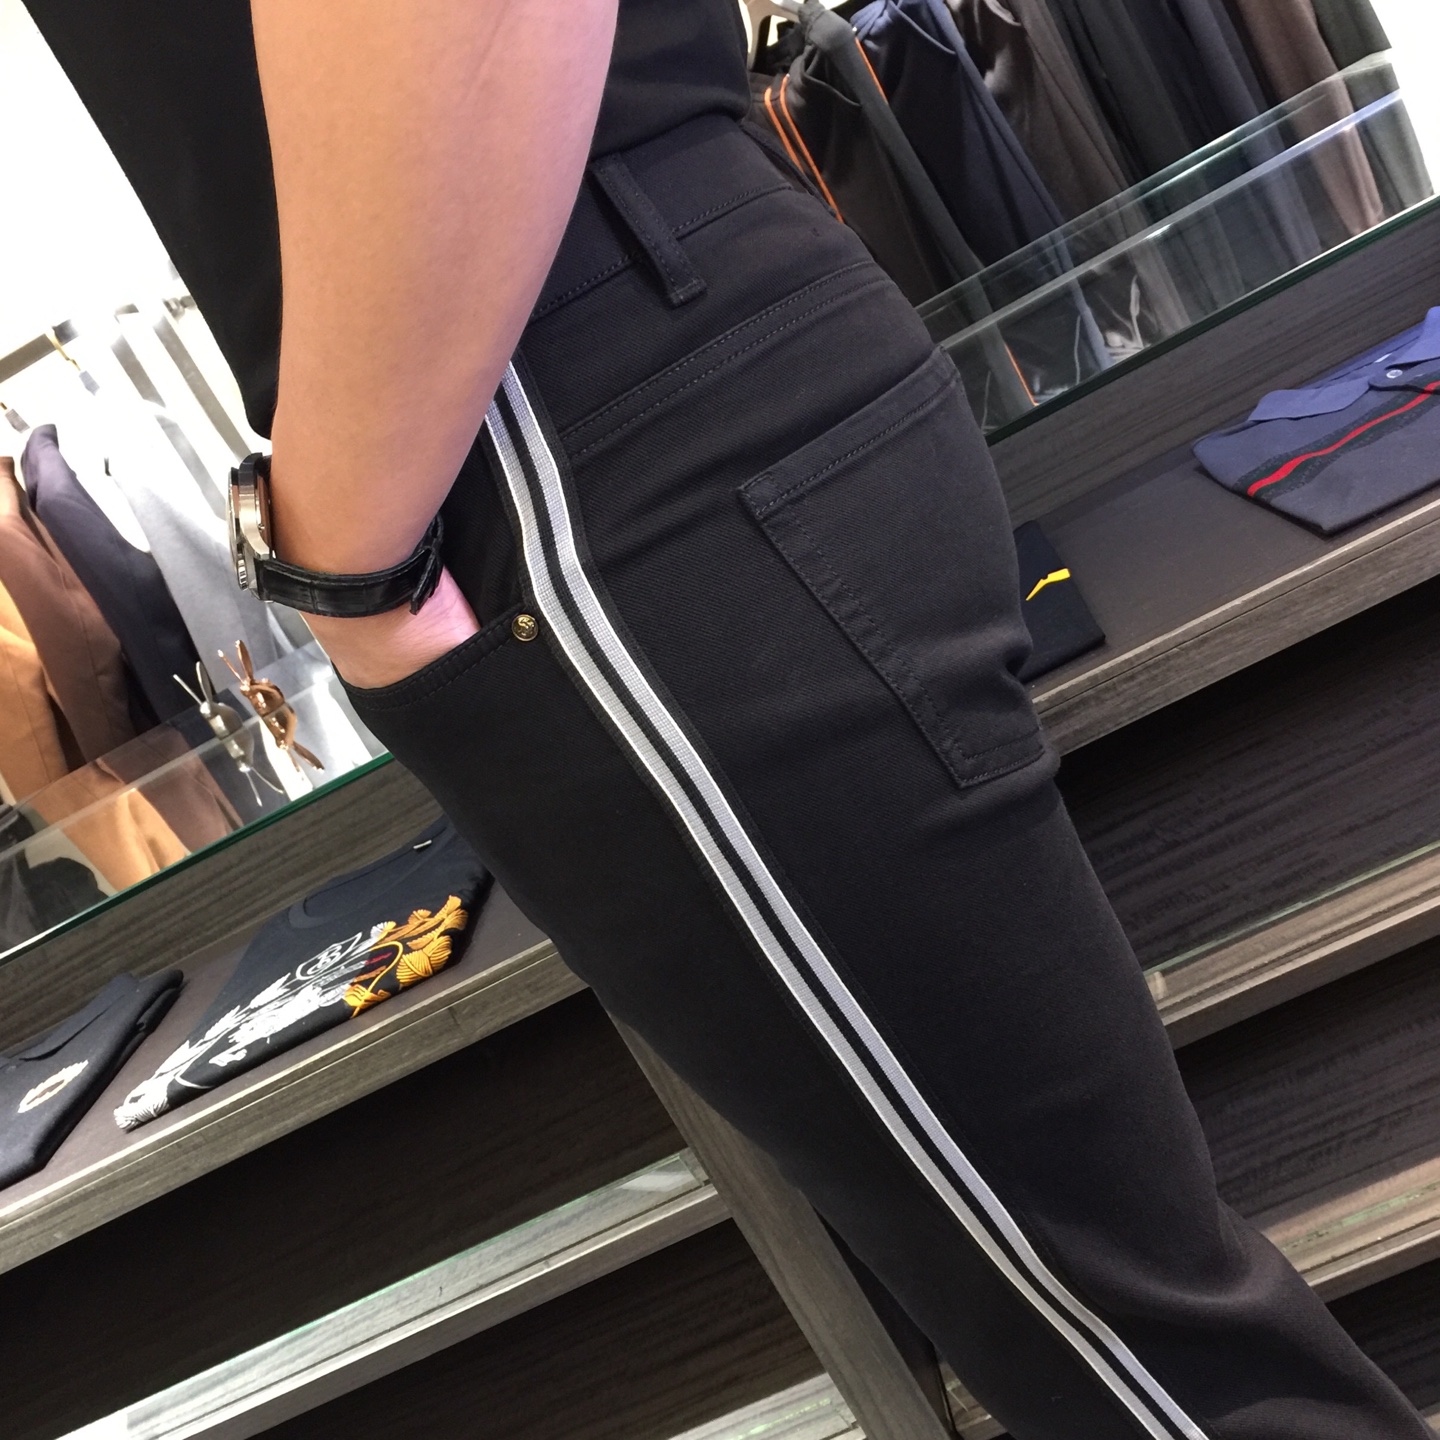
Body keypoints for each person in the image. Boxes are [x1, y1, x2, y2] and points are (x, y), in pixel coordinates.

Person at [23, 1, 1429, 1435]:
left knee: (1131, 1358)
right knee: (1106, 1320)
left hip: (556, 436)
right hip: (621, 369)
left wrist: (339, 555)